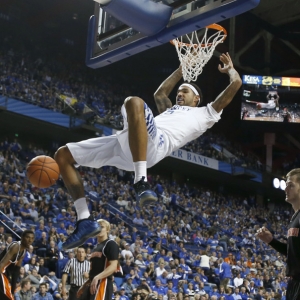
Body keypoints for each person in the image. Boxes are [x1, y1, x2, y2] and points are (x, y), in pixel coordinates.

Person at [54, 52, 242, 250]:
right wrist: (181, 69)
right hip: (128, 144)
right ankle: (84, 220)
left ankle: (141, 181)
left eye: (184, 91)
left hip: (155, 145)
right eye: (179, 91)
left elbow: (235, 85)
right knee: (62, 155)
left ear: (196, 99)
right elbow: (160, 94)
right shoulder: (170, 109)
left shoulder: (206, 113)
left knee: (133, 101)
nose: (179, 93)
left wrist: (230, 70)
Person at [256, 168, 300, 300]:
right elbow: (292, 253)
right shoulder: (295, 217)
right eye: (286, 185)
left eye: (291, 185)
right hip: (294, 283)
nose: (286, 189)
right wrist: (271, 241)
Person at [77, 219, 120, 300]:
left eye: (102, 227)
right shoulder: (96, 247)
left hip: (103, 283)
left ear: (107, 230)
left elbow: (113, 266)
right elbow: (94, 270)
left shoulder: (110, 244)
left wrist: (97, 277)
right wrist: (84, 285)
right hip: (92, 283)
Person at [0, 230, 35, 300]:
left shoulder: (23, 251)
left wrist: (13, 288)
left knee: (10, 296)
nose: (30, 240)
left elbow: (16, 270)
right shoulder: (16, 247)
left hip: (4, 273)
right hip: (1, 271)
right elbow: (1, 264)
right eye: (27, 237)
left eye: (32, 238)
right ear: (22, 237)